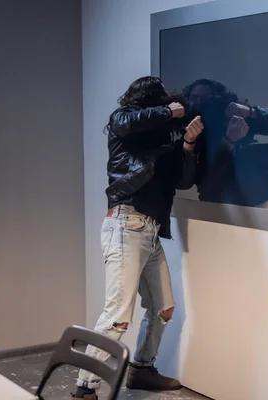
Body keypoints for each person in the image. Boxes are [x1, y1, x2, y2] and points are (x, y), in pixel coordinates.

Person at [71, 76, 203, 400]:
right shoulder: (122, 125)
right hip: (125, 226)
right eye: (156, 104)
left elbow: (183, 179)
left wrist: (187, 144)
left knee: (163, 308)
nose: (164, 108)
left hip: (149, 232)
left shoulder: (163, 142)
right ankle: (84, 389)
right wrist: (167, 113)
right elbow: (129, 121)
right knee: (117, 317)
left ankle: (142, 369)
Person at [182, 78, 268, 209]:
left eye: (206, 98)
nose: (199, 103)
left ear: (217, 99)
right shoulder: (188, 128)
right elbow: (193, 180)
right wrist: (189, 142)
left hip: (256, 201)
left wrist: (250, 112)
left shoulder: (232, 118)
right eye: (194, 98)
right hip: (216, 205)